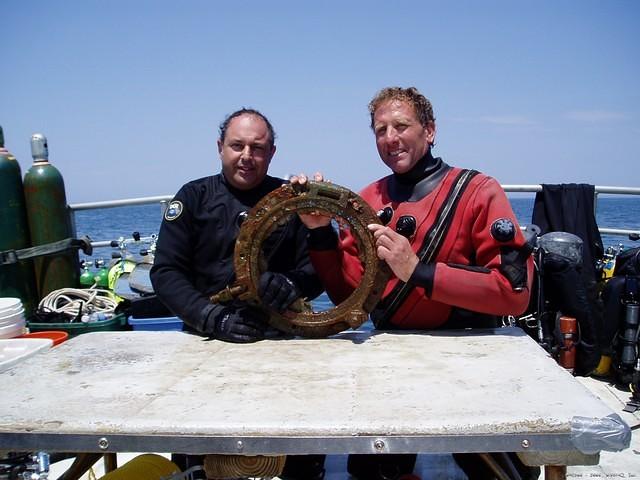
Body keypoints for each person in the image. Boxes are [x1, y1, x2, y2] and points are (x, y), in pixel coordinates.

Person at [293, 87, 537, 480]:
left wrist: (418, 271)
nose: (390, 138)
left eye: (401, 126)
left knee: (500, 469)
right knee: (374, 468)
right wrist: (320, 233)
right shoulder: (368, 198)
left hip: (469, 360)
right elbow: (348, 298)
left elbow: (515, 294)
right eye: (380, 130)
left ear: (431, 131)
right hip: (393, 362)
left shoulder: (477, 191)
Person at [150, 108, 325, 479]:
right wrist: (208, 317)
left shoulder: (289, 200)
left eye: (257, 148)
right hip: (205, 342)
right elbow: (165, 272)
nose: (247, 155)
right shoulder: (193, 197)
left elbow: (317, 270)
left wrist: (292, 282)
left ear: (272, 153)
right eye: (237, 145)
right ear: (219, 148)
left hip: (277, 342)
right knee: (201, 455)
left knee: (294, 454)